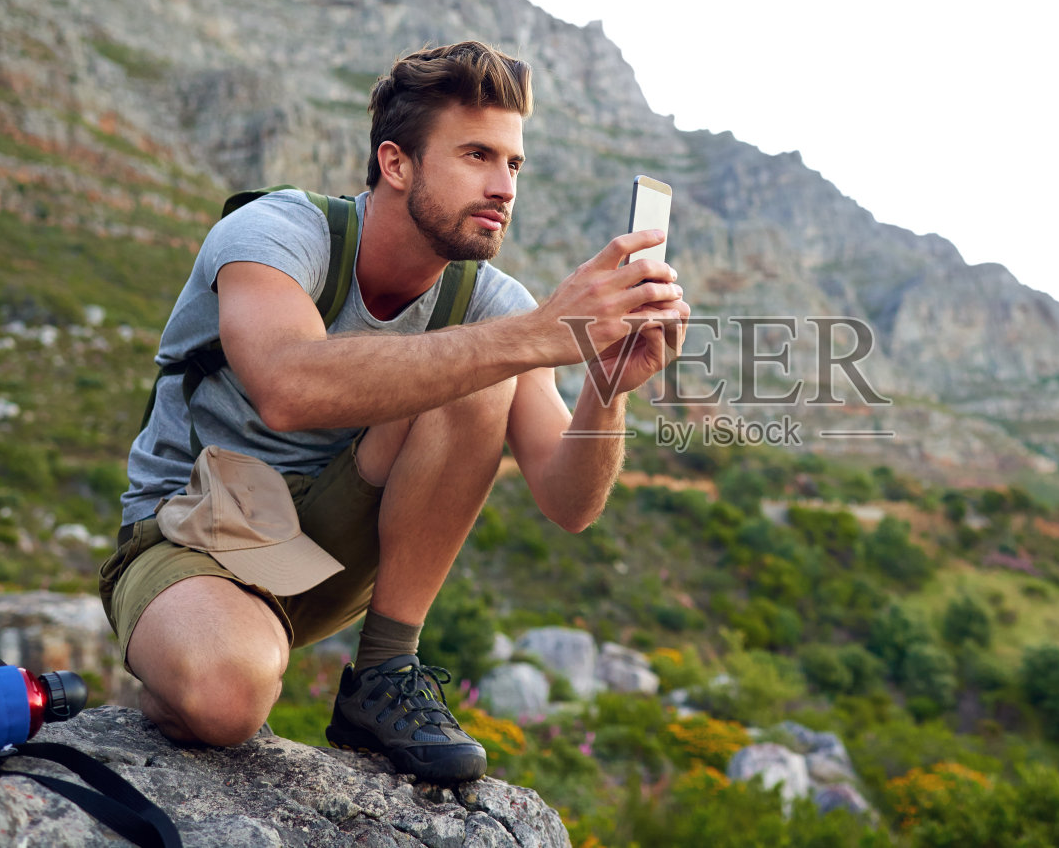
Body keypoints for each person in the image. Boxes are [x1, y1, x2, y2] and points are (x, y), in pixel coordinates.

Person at [97, 41, 688, 784]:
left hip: (330, 551)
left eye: (513, 164)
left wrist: (609, 385)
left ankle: (383, 672)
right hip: (196, 534)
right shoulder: (279, 234)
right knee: (226, 699)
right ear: (396, 162)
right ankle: (189, 657)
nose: (503, 185)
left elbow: (570, 504)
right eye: (477, 155)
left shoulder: (493, 302)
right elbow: (287, 388)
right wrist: (533, 336)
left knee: (482, 363)